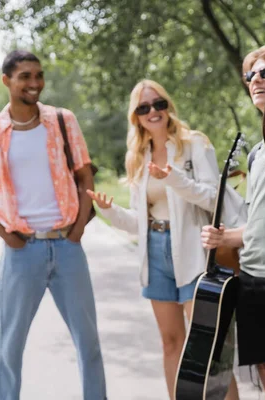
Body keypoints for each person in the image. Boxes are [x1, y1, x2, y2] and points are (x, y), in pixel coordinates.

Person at [0, 50, 106, 400]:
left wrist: (77, 231)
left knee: (88, 342)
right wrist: (8, 238)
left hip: (67, 247)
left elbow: (84, 174)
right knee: (9, 346)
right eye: (25, 76)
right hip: (21, 251)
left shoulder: (62, 120)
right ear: (6, 81)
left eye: (38, 75)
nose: (34, 83)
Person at [87, 79, 239, 400]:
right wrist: (109, 211)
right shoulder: (137, 156)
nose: (152, 111)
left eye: (158, 104)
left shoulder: (194, 144)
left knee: (209, 347)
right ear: (136, 117)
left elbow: (215, 199)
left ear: (168, 106)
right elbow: (137, 222)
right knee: (171, 344)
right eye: (144, 108)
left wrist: (173, 178)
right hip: (156, 252)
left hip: (194, 251)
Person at [201, 45, 265, 400]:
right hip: (252, 279)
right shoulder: (257, 153)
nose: (255, 81)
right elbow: (260, 224)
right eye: (250, 76)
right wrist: (225, 238)